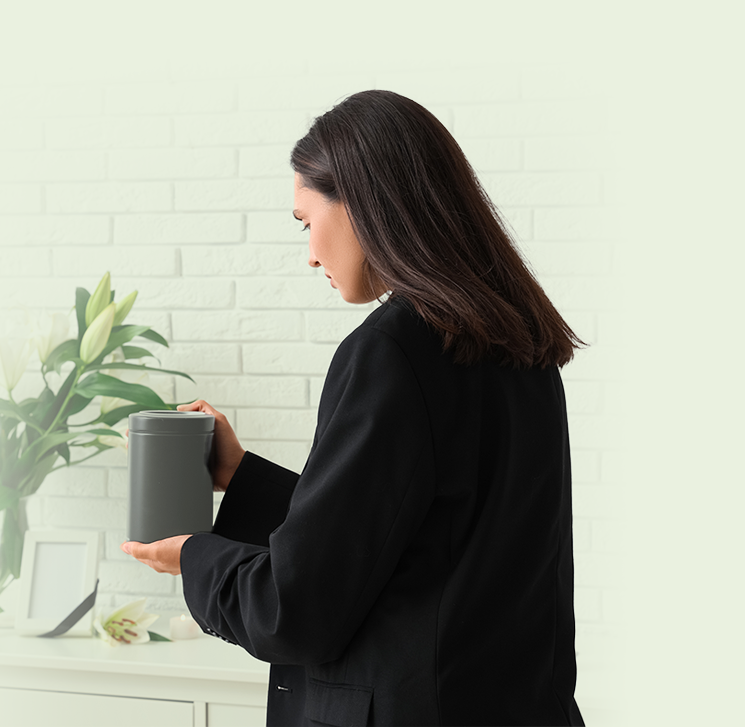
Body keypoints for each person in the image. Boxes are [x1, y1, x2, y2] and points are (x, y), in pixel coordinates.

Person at [120, 90, 586, 726]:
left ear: (365, 204)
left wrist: (194, 557)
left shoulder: (390, 352)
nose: (309, 252)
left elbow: (298, 609)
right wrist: (243, 476)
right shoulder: (517, 341)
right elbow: (411, 539)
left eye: (305, 221)